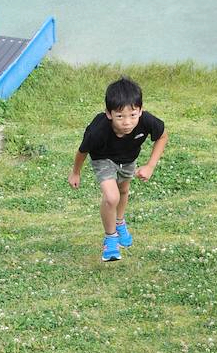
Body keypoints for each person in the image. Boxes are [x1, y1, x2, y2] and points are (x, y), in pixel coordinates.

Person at [68, 77, 167, 263]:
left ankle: (120, 222)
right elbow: (82, 151)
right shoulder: (98, 130)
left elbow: (162, 136)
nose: (127, 122)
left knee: (123, 191)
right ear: (109, 113)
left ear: (140, 110)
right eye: (120, 116)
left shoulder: (145, 121)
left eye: (133, 115)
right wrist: (75, 172)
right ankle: (110, 238)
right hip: (103, 158)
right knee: (112, 197)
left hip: (128, 159)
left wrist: (150, 165)